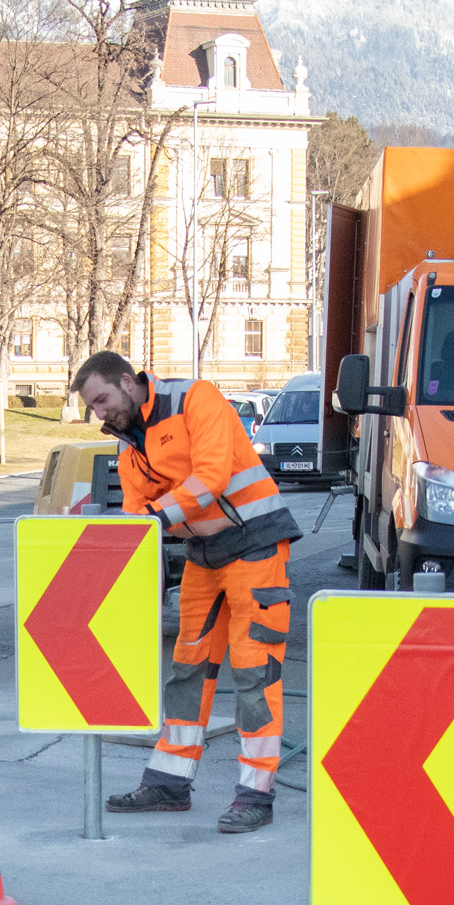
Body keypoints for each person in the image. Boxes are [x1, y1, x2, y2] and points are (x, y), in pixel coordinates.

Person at [73, 351, 301, 833]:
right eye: (93, 407)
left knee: (254, 669)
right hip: (204, 555)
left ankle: (256, 795)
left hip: (256, 546)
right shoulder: (127, 445)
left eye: (102, 400)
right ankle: (169, 783)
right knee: (187, 669)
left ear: (126, 382)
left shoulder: (196, 398)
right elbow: (138, 512)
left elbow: (212, 476)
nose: (100, 413)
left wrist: (157, 517)